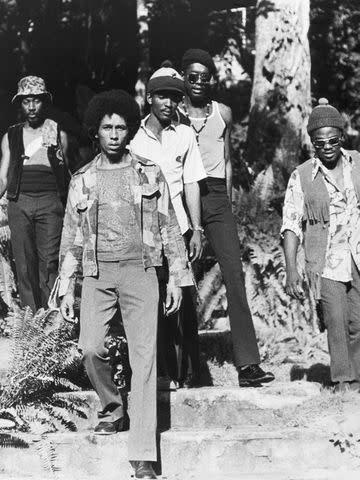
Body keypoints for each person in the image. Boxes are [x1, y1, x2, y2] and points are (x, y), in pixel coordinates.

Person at [56, 90, 192, 479]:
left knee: (144, 360)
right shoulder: (82, 179)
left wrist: (177, 280)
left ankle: (144, 456)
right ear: (95, 132)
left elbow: (169, 226)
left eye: (120, 127)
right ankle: (113, 408)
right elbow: (72, 236)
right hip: (98, 274)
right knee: (90, 347)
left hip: (141, 271)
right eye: (106, 128)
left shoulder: (149, 172)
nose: (114, 134)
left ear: (129, 130)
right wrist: (67, 284)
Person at [179, 48, 274, 387]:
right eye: (192, 77)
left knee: (234, 275)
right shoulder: (174, 115)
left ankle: (248, 365)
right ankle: (187, 366)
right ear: (184, 79)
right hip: (182, 196)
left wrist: (228, 203)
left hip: (217, 195)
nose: (199, 83)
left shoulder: (224, 113)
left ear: (213, 80)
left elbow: (229, 160)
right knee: (182, 278)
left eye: (205, 77)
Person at [130, 66, 207, 388]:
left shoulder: (185, 135)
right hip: (146, 231)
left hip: (180, 228)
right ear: (149, 98)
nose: (168, 103)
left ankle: (191, 373)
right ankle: (161, 373)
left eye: (174, 97)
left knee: (186, 303)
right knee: (153, 301)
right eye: (162, 95)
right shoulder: (132, 137)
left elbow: (191, 183)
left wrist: (198, 230)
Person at [282, 98, 360, 393]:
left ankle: (358, 378)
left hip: (357, 254)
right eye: (319, 142)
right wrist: (292, 269)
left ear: (342, 136)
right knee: (336, 321)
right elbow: (290, 224)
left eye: (332, 140)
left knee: (359, 322)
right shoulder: (301, 176)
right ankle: (342, 381)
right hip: (326, 259)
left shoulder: (357, 164)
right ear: (311, 143)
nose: (327, 147)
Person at [0, 76, 71, 312]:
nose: (31, 107)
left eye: (36, 101)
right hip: (19, 202)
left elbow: (65, 174)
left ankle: (51, 319)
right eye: (26, 101)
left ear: (44, 102)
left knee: (49, 263)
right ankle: (31, 324)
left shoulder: (57, 133)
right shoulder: (11, 135)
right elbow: (3, 176)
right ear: (20, 105)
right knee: (23, 264)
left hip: (50, 203)